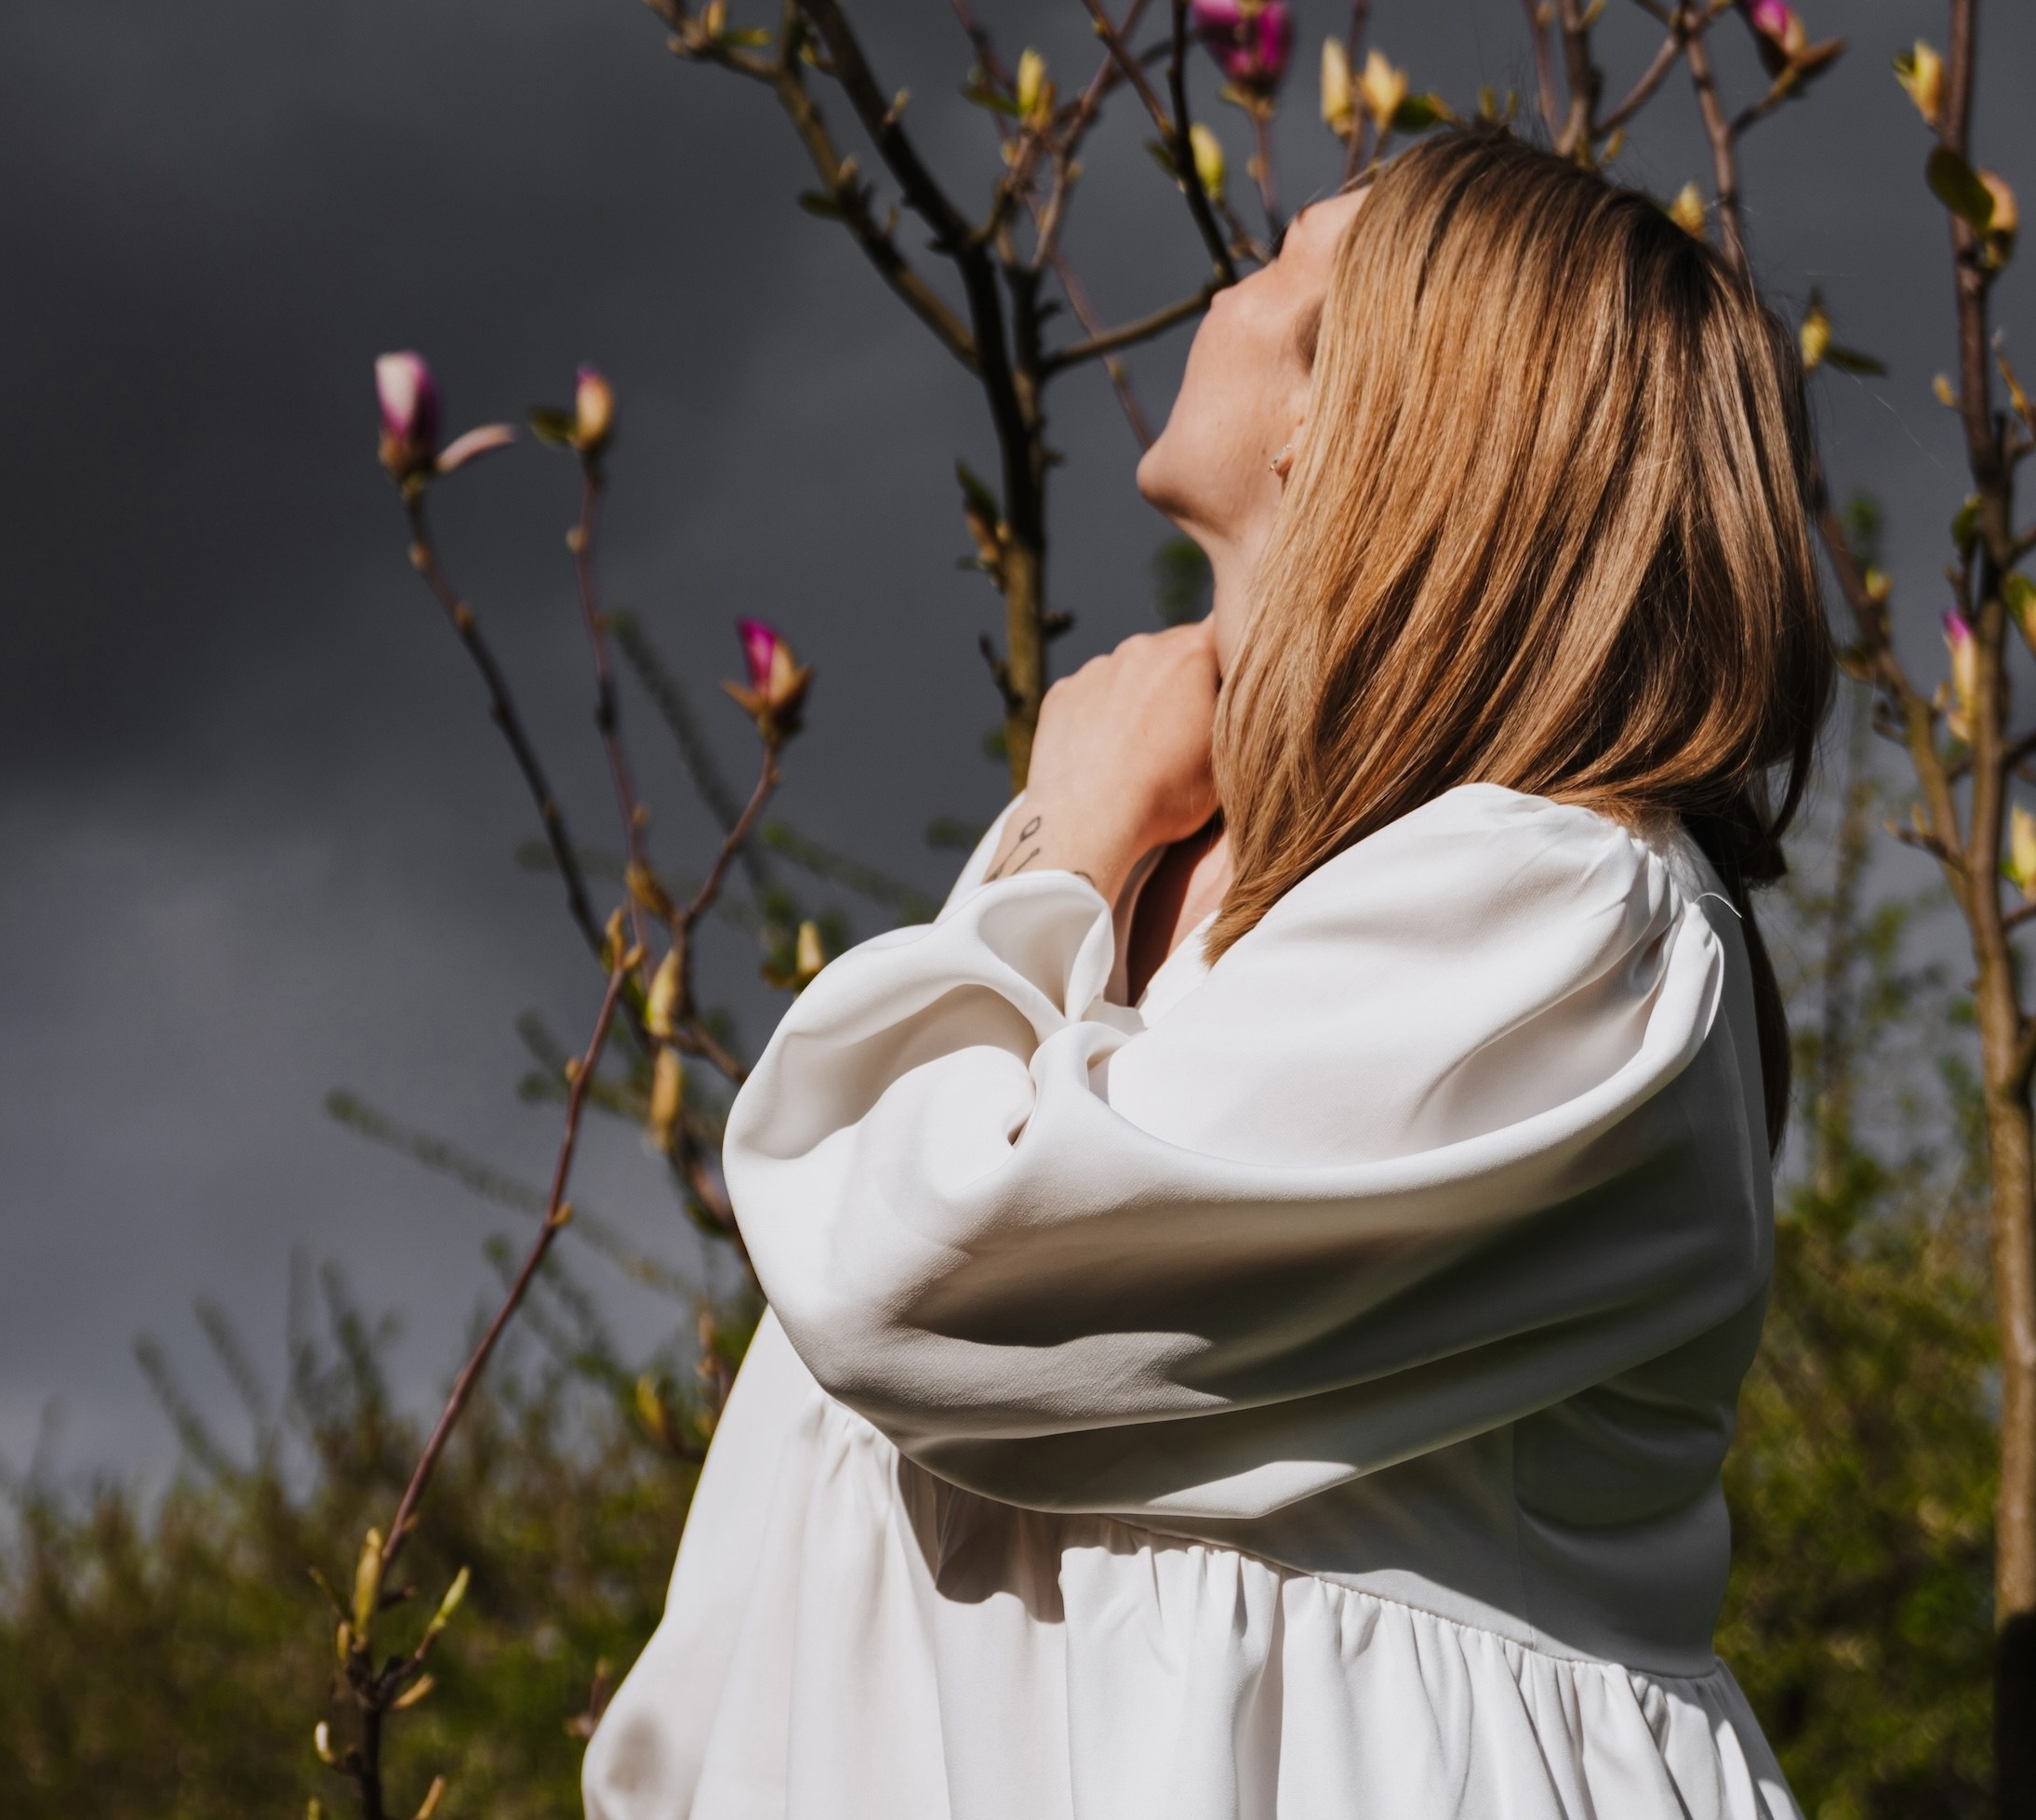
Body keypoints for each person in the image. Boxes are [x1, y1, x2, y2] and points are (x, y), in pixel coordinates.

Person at [584, 126, 1830, 1819]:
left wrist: (1064, 846)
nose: (1220, 289)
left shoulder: (1561, 918)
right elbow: (806, 1485)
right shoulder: (1139, 856)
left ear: (1353, 407)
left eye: (1281, 259)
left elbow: (913, 1276)